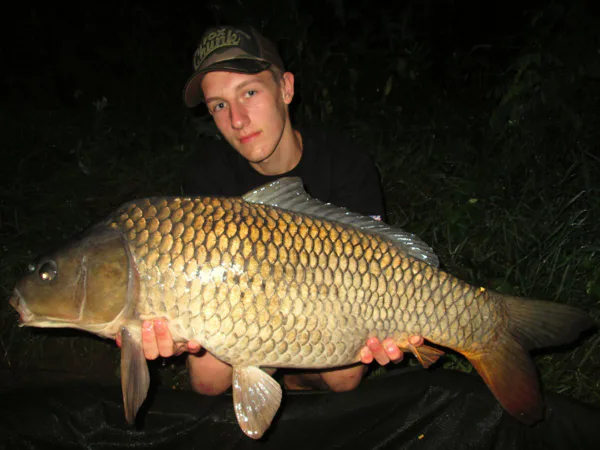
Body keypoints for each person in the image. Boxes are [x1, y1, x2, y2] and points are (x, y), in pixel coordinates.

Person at [118, 24, 424, 395]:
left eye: (249, 92)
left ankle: (294, 382)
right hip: (241, 309)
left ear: (286, 88)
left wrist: (392, 324)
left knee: (344, 375)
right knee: (207, 375)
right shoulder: (208, 174)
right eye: (219, 105)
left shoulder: (345, 164)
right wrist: (181, 329)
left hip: (328, 305)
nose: (237, 119)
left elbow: (384, 264)